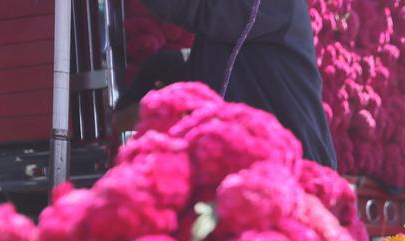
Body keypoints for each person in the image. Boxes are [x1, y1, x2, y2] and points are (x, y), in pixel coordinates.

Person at [140, 0, 337, 168]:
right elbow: (224, 60)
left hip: (297, 171)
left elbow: (199, 9)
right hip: (260, 163)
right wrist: (157, 69)